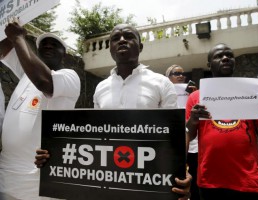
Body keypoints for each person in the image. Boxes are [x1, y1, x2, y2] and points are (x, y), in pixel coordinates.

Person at [35, 24, 191, 200]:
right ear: (110, 49)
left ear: (140, 47)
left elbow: (174, 137)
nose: (122, 40)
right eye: (116, 38)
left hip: (148, 185)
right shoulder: (101, 88)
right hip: (109, 186)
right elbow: (94, 138)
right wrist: (53, 155)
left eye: (129, 36)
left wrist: (181, 172)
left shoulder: (161, 83)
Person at [0, 18, 81, 200]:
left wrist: (19, 38)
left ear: (65, 55)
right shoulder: (26, 74)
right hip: (7, 179)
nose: (48, 46)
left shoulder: (69, 77)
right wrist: (9, 18)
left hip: (37, 186)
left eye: (55, 44)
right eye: (43, 44)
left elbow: (43, 82)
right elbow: (3, 47)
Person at [185, 43, 258, 200]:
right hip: (211, 181)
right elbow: (189, 134)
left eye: (229, 55)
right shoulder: (195, 98)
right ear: (209, 65)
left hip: (248, 180)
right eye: (219, 56)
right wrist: (193, 120)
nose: (225, 58)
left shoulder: (252, 93)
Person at [166, 64, 200, 200]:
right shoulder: (164, 92)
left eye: (182, 73)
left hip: (193, 144)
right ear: (167, 78)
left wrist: (195, 95)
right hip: (172, 145)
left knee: (194, 180)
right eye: (176, 73)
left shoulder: (192, 92)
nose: (181, 76)